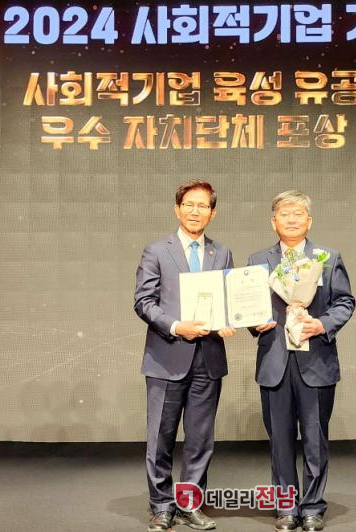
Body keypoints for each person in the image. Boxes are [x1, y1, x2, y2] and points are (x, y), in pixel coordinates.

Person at [247, 191, 355, 532]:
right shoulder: (258, 260)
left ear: (309, 221)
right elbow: (247, 306)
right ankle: (285, 507)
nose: (291, 219)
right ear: (273, 222)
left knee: (314, 439)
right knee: (279, 440)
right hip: (274, 361)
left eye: (298, 214)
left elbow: (344, 302)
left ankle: (312, 507)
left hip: (316, 361)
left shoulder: (328, 257)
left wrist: (322, 324)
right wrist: (253, 322)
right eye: (284, 213)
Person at [134, 179, 235, 532]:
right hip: (167, 357)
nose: (195, 211)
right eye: (189, 204)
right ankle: (162, 506)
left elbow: (227, 299)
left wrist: (229, 319)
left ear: (212, 213)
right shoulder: (156, 251)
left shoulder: (221, 253)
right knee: (160, 438)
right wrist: (177, 326)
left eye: (202, 206)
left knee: (200, 440)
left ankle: (189, 505)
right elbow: (143, 302)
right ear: (177, 209)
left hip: (209, 359)